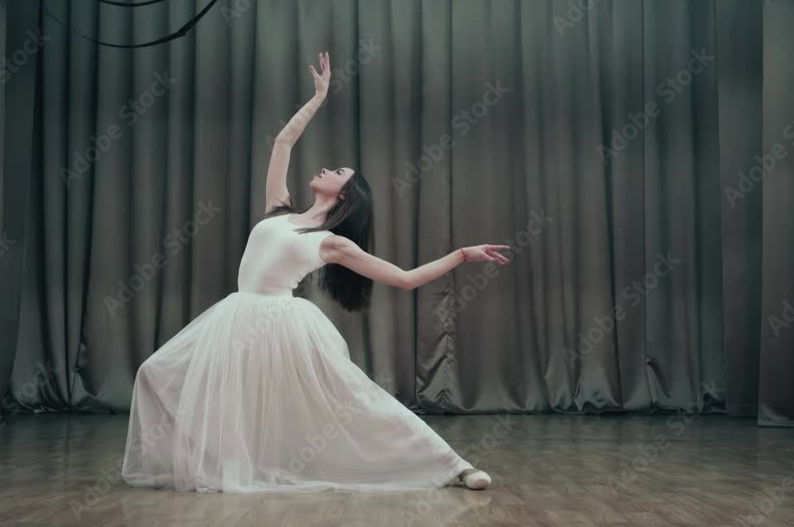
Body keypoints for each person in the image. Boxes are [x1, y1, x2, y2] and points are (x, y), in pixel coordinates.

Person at [122, 51, 510, 493]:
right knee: (157, 374)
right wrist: (318, 97)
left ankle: (454, 464)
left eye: (337, 171)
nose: (326, 168)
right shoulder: (278, 209)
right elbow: (282, 143)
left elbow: (404, 278)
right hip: (234, 318)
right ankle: (216, 464)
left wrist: (461, 254)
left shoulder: (331, 243)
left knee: (355, 398)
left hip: (279, 325)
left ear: (345, 195)